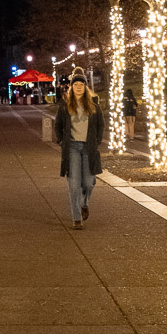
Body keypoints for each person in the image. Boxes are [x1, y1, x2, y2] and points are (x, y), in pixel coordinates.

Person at [53, 67, 104, 230]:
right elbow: (58, 125)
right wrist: (61, 140)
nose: (79, 87)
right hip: (72, 148)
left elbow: (100, 125)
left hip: (89, 147)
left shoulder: (93, 105)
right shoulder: (65, 105)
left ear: (85, 87)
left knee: (88, 182)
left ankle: (84, 203)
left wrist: (97, 141)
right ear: (71, 87)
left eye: (81, 84)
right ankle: (76, 218)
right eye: (76, 84)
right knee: (74, 184)